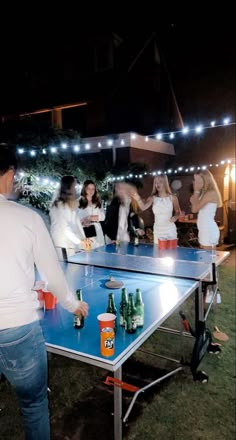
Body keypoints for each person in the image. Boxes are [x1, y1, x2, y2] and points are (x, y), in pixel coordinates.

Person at [0, 147, 88, 440]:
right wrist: (73, 304)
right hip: (18, 328)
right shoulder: (28, 218)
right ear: (10, 173)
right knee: (34, 405)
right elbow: (53, 275)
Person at [132, 174, 181, 244]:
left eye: (160, 182)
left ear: (165, 183)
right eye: (156, 182)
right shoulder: (152, 198)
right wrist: (138, 199)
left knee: (171, 252)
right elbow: (143, 207)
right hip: (158, 230)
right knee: (158, 252)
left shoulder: (173, 197)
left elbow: (178, 211)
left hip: (170, 229)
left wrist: (175, 217)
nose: (157, 184)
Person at [50, 175, 88, 258]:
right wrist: (80, 242)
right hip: (62, 243)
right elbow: (65, 228)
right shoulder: (59, 204)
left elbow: (72, 221)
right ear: (68, 187)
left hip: (69, 241)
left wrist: (82, 223)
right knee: (65, 267)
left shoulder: (68, 203)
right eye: (74, 186)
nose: (75, 189)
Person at [190, 169, 222, 249]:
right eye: (194, 180)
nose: (195, 182)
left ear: (205, 180)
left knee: (208, 259)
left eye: (197, 180)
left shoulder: (210, 193)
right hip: (203, 229)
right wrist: (196, 194)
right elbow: (193, 206)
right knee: (205, 259)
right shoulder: (204, 193)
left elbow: (194, 209)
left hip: (208, 229)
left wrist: (196, 191)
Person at [78, 179, 105, 248]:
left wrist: (90, 217)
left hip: (97, 230)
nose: (91, 191)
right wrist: (87, 219)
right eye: (88, 188)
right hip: (85, 230)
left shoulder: (98, 201)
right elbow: (76, 218)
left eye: (93, 189)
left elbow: (103, 216)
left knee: (99, 252)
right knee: (87, 252)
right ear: (84, 189)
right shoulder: (78, 202)